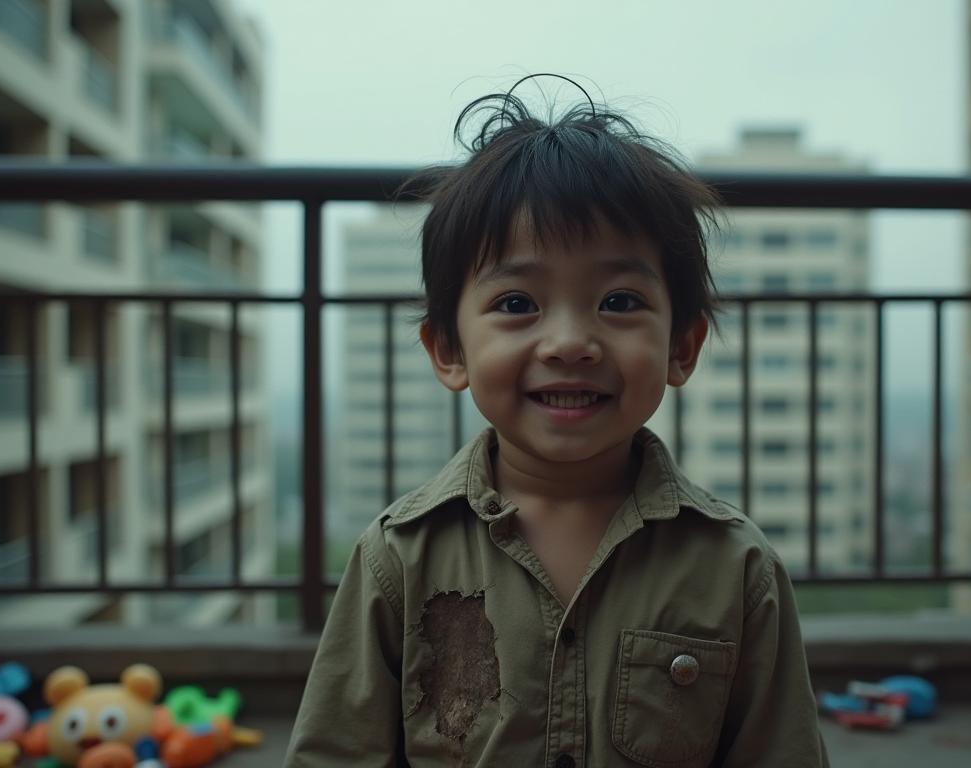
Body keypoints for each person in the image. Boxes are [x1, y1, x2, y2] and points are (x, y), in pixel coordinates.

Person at [285, 77, 829, 767]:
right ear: (449, 350)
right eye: (517, 303)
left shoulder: (734, 568)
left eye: (620, 299)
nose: (570, 342)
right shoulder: (400, 559)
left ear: (681, 348)